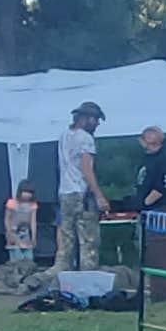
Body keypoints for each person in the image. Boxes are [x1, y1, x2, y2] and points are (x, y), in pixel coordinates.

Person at [54, 101, 103, 276]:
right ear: (84, 119)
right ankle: (88, 280)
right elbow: (86, 168)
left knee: (66, 240)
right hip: (81, 192)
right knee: (88, 241)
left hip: (65, 192)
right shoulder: (85, 138)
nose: (97, 123)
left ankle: (61, 278)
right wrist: (98, 195)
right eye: (95, 119)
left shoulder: (64, 135)